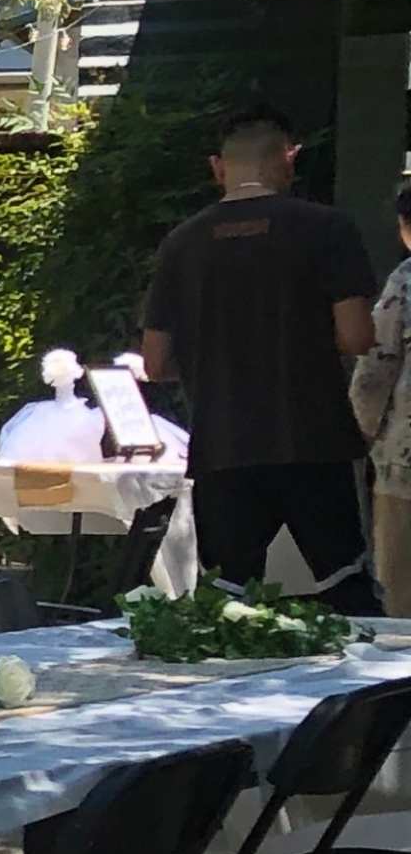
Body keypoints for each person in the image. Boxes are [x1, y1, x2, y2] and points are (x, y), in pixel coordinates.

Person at [139, 102, 386, 606]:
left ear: (218, 167)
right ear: (288, 160)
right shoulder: (327, 229)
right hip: (313, 437)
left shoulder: (181, 245)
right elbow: (358, 337)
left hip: (223, 445)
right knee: (345, 586)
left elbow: (155, 363)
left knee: (228, 601)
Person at [363, 184, 411, 614]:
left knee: (401, 587)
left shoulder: (405, 282)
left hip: (405, 463)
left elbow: (376, 368)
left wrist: (359, 429)